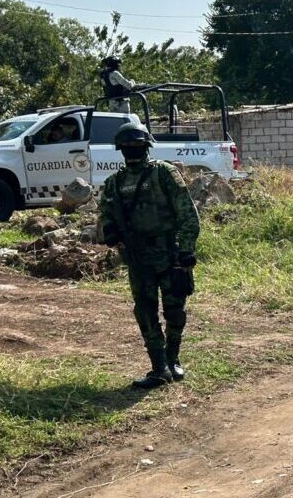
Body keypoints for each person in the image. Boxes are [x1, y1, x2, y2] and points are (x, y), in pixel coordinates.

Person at [99, 123, 200, 389]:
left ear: (146, 146)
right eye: (127, 147)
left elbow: (187, 213)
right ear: (120, 150)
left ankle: (173, 359)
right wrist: (110, 231)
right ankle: (159, 367)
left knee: (175, 309)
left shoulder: (164, 173)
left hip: (170, 253)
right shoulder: (114, 183)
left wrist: (186, 249)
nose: (133, 151)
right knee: (145, 311)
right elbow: (106, 215)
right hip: (138, 257)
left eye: (138, 146)